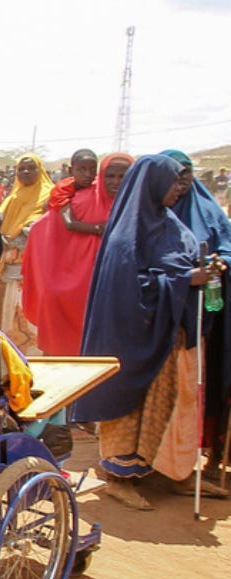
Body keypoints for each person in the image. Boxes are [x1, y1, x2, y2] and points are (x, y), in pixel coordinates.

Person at [76, 153, 229, 509]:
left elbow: (182, 262)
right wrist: (186, 280)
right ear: (153, 184)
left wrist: (207, 269)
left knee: (172, 403)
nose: (179, 189)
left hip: (171, 335)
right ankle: (119, 477)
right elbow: (129, 287)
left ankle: (171, 471)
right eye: (173, 182)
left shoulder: (171, 224)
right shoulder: (125, 238)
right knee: (129, 406)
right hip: (134, 338)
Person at [163, 149, 231, 472]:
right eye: (175, 175)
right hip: (166, 315)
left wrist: (219, 263)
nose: (181, 182)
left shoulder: (209, 212)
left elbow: (226, 248)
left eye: (186, 173)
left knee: (207, 381)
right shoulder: (153, 212)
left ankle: (210, 455)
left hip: (207, 312)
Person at [22, 153, 130, 356]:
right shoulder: (76, 199)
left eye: (122, 176)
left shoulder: (138, 205)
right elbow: (47, 227)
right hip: (78, 279)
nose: (116, 182)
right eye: (111, 176)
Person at [0, 154, 53, 345]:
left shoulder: (50, 197)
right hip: (8, 275)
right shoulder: (13, 198)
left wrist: (25, 234)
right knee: (7, 325)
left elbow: (47, 232)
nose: (26, 172)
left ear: (40, 170)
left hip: (35, 276)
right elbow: (0, 229)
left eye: (31, 168)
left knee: (33, 330)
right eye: (21, 169)